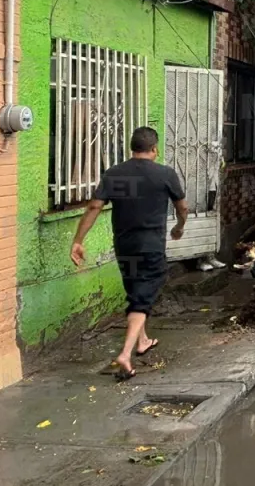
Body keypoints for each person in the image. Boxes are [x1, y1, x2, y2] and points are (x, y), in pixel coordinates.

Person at [70, 126, 188, 381]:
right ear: (154, 149)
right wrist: (179, 227)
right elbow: (183, 207)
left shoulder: (114, 174)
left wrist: (78, 240)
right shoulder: (165, 174)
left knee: (136, 289)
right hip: (151, 246)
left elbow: (94, 206)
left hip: (125, 246)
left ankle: (143, 340)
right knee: (142, 300)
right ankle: (125, 354)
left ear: (131, 149)